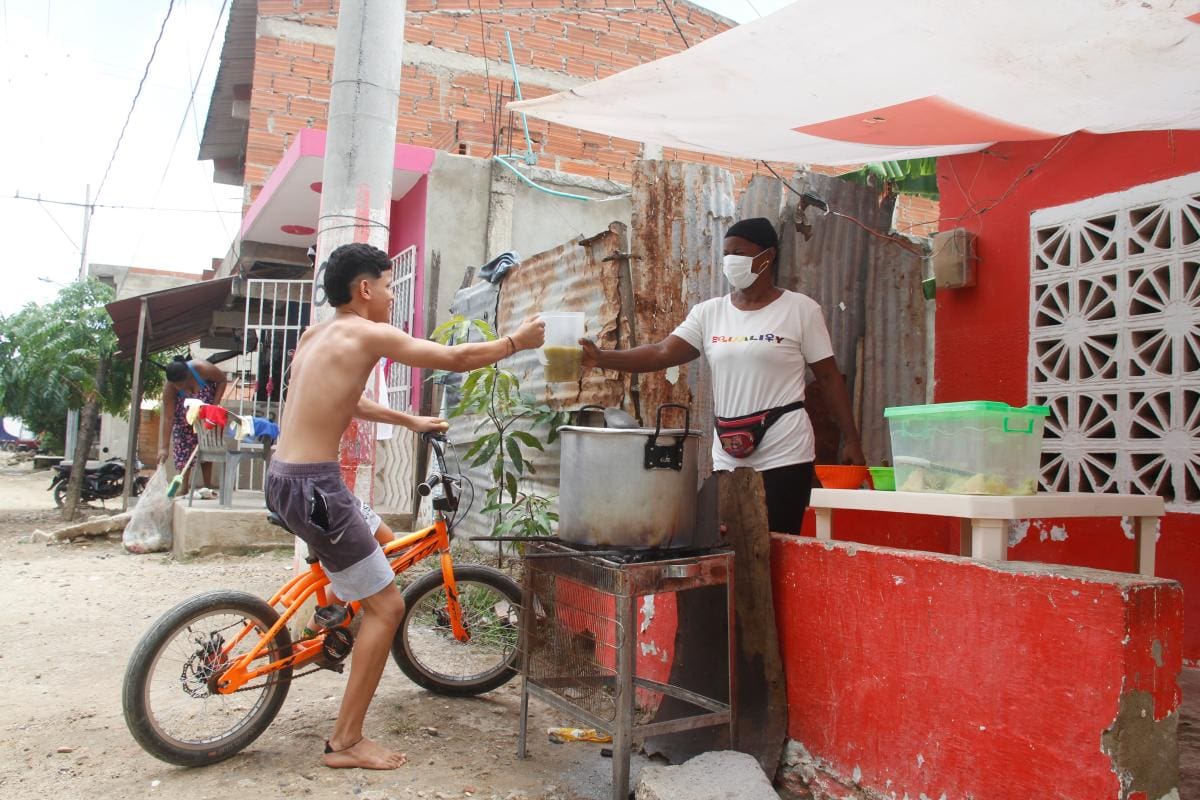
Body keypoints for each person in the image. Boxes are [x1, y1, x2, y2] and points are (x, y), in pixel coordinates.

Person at [266, 242, 545, 770]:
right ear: (364, 289)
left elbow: (343, 397)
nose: (393, 298)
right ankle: (345, 741)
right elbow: (456, 358)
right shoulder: (368, 332)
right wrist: (517, 341)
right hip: (317, 488)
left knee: (386, 543)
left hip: (288, 476)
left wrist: (411, 422)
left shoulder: (318, 334)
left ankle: (339, 619)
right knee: (389, 607)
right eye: (390, 287)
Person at [580, 217, 864, 535]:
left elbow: (828, 378)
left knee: (778, 544)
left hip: (784, 447)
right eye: (726, 253)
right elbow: (661, 353)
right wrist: (602, 357)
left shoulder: (800, 310)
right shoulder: (709, 312)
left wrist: (852, 440)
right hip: (728, 450)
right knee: (730, 548)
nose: (730, 261)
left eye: (739, 252)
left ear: (767, 257)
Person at [159, 355, 228, 494]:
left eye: (180, 383)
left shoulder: (201, 368)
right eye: (175, 385)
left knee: (207, 447)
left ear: (187, 375)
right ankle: (183, 487)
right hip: (183, 422)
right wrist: (163, 448)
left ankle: (207, 487)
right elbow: (168, 417)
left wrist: (215, 405)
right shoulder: (170, 388)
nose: (178, 387)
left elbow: (222, 380)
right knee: (182, 451)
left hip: (205, 417)